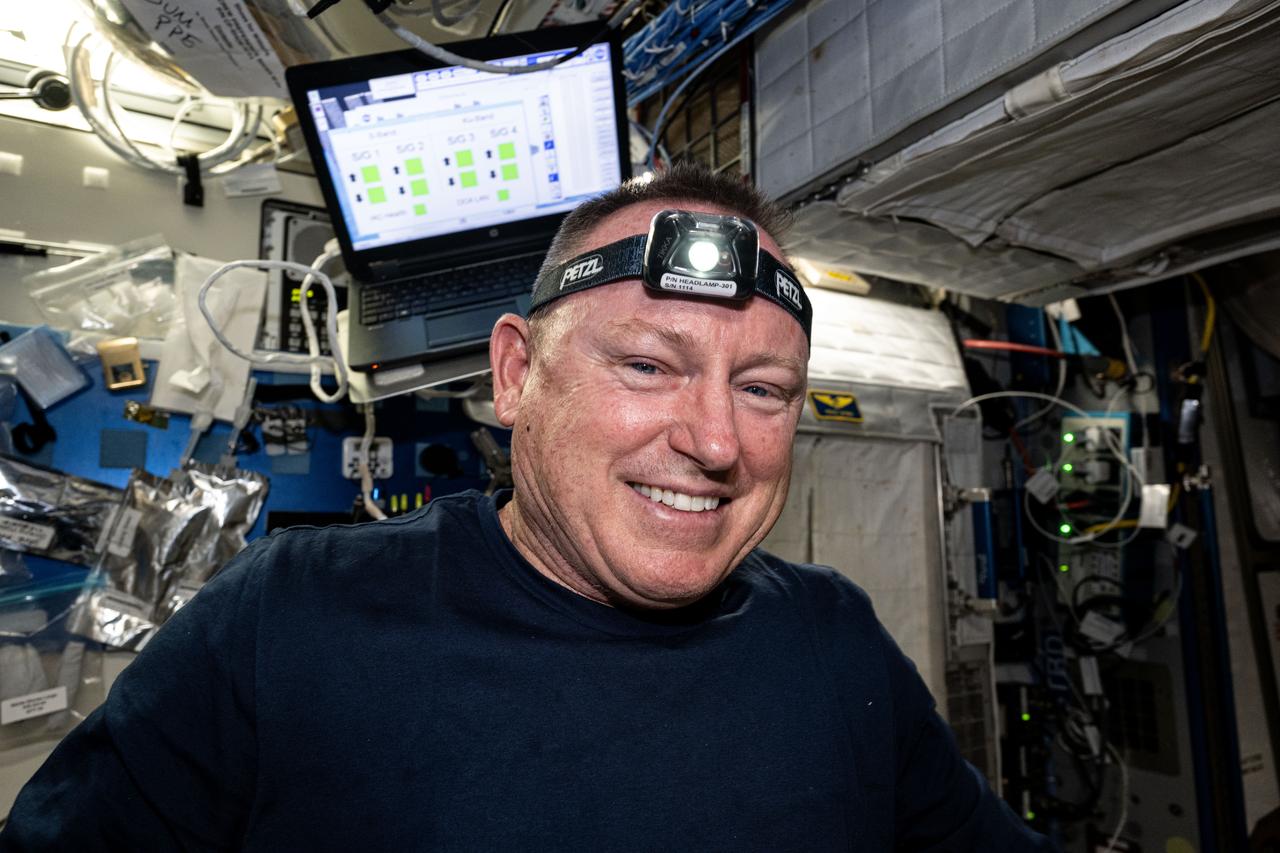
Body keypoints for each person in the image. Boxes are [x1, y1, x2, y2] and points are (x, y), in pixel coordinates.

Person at [0, 163, 1051, 851]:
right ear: (515, 377)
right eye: (646, 363)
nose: (717, 440)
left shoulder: (833, 640)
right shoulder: (288, 622)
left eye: (762, 389)